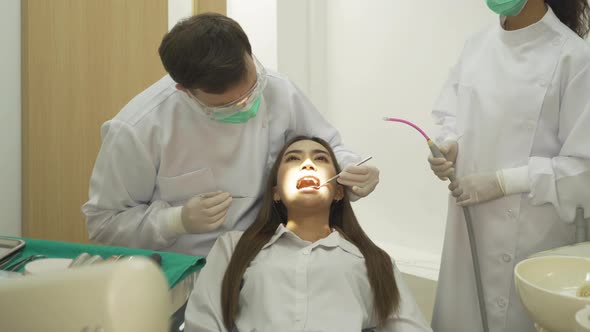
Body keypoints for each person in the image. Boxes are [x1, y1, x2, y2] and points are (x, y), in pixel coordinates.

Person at [81, 13, 380, 257]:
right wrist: (175, 220)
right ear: (184, 90)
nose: (248, 104)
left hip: (263, 257)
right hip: (185, 265)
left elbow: (328, 147)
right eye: (231, 104)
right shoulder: (138, 129)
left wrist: (350, 169)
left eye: (252, 89)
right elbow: (104, 223)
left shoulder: (278, 90)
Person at [428, 0, 590, 331]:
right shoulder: (476, 45)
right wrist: (448, 146)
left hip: (533, 235)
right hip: (467, 225)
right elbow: (450, 113)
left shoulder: (575, 58)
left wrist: (503, 182)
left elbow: (583, 169)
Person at [184, 136, 432, 332]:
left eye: (321, 158)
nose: (307, 164)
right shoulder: (233, 248)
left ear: (338, 192)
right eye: (293, 158)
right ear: (276, 193)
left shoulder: (375, 261)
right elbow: (203, 324)